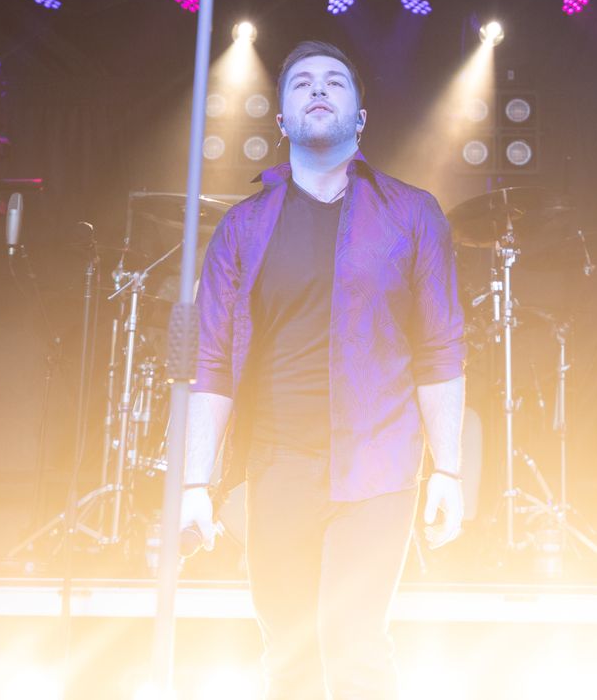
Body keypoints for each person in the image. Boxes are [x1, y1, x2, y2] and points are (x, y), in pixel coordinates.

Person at [179, 40, 466, 700]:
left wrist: (449, 470)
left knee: (355, 647)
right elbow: (211, 363)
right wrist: (195, 481)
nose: (317, 88)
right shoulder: (242, 228)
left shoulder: (412, 213)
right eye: (301, 81)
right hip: (277, 464)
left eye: (335, 81)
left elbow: (440, 348)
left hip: (379, 461)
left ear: (360, 116)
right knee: (288, 655)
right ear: (280, 118)